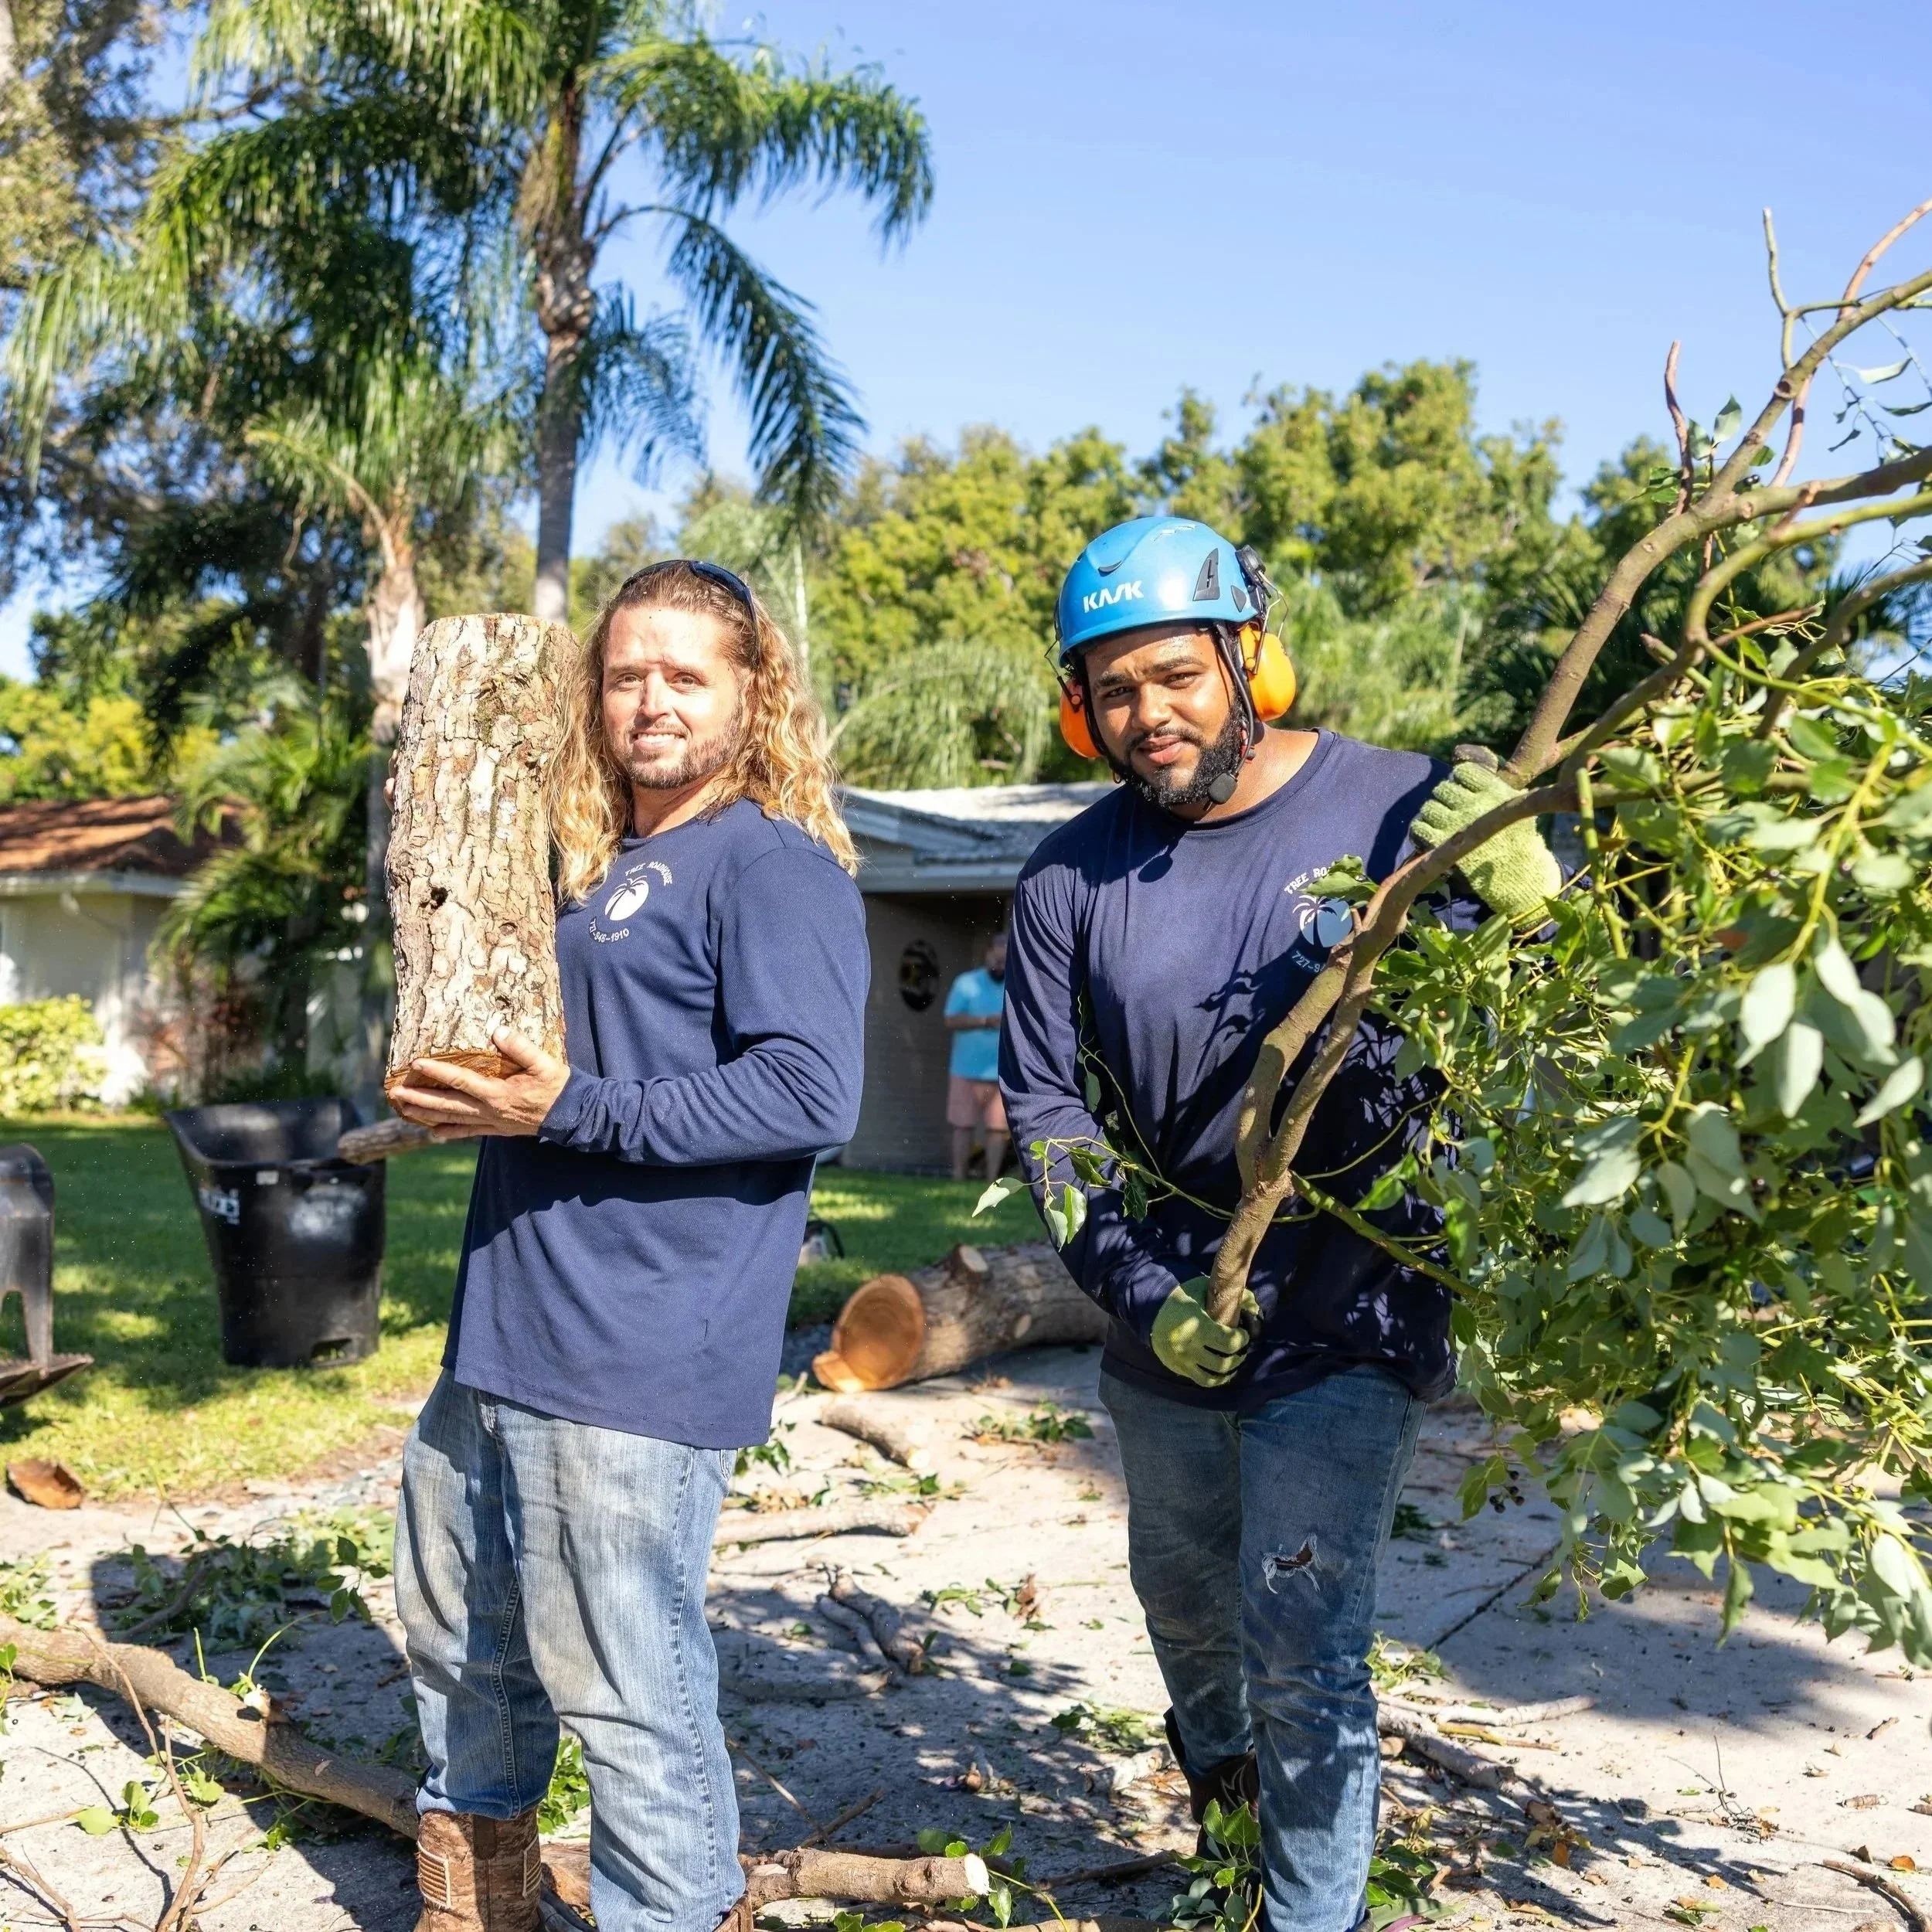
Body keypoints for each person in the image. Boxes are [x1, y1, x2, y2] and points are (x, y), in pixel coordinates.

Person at [999, 517, 1558, 1932]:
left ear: (1254, 657)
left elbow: (1557, 1032)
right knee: (1193, 1631)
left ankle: (1315, 1920)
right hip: (1161, 1323)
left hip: (1352, 1319)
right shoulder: (1068, 877)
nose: (1148, 716)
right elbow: (1051, 1125)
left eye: (1176, 675)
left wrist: (1532, 907)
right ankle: (1238, 1850)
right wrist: (1142, 1296)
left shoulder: (1407, 810)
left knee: (1307, 1649)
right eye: (1113, 689)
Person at [386, 560, 869, 1932]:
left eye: (685, 674)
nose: (649, 700)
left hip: (638, 1353)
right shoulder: (608, 871)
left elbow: (808, 1095)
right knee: (462, 1656)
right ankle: (475, 1906)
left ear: (751, 690)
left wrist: (569, 1105)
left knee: (626, 1690)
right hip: (504, 1334)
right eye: (625, 673)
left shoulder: (771, 863)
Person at [943, 932, 1010, 1182]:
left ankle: (992, 1181)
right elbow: (950, 1019)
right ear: (987, 954)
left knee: (997, 1129)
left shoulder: (1016, 985)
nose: (999, 965)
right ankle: (959, 1177)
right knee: (962, 1125)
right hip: (965, 1069)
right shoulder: (966, 983)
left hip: (1001, 1071)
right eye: (996, 959)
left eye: (1005, 962)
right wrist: (985, 1021)